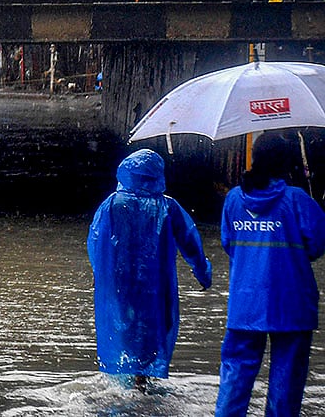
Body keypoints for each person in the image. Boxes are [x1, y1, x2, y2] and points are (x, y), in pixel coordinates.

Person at [215, 133, 325, 416]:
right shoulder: (297, 199)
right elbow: (316, 245)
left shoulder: (234, 200)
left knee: (235, 377)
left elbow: (229, 244)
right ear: (286, 162)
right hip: (291, 303)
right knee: (286, 382)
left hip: (245, 302)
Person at [87, 148, 212, 391]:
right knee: (153, 328)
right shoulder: (168, 207)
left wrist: (99, 273)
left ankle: (129, 379)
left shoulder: (112, 204)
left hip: (120, 282)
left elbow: (95, 241)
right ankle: (142, 381)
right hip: (155, 283)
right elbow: (190, 243)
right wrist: (202, 273)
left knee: (125, 324)